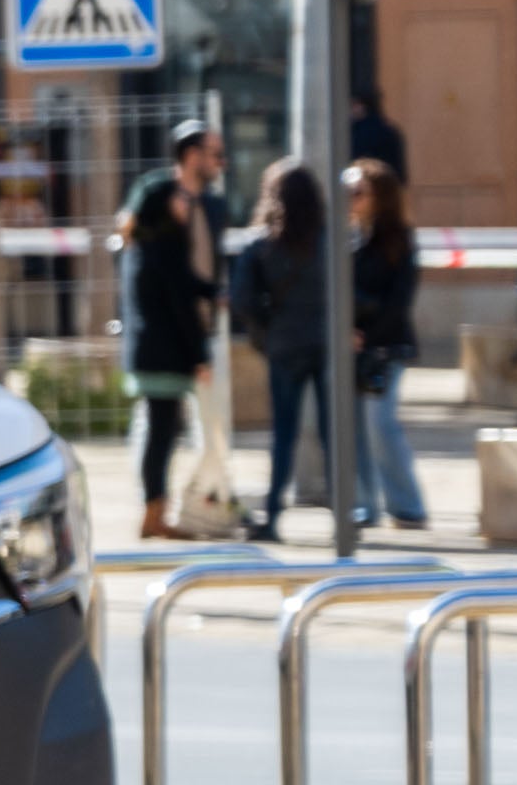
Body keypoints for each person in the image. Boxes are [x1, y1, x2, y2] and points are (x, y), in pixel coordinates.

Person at [120, 122, 229, 541]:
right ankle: (154, 514)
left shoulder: (156, 246)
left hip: (162, 347)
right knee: (161, 433)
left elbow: (188, 282)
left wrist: (212, 292)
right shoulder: (160, 246)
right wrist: (198, 356)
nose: (185, 206)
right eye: (178, 201)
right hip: (166, 349)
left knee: (164, 430)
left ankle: (158, 511)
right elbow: (178, 298)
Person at [234, 157, 336, 535]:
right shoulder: (330, 240)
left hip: (284, 344)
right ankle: (345, 514)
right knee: (333, 435)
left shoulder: (261, 245)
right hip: (327, 343)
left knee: (283, 435)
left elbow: (242, 299)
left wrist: (265, 333)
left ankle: (273, 514)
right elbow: (350, 293)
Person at [346, 160, 431, 529]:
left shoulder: (399, 240)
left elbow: (400, 301)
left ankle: (407, 506)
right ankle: (364, 506)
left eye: (358, 192)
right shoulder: (346, 237)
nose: (350, 199)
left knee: (380, 423)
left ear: (379, 197)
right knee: (354, 428)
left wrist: (368, 333)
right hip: (351, 345)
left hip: (387, 346)